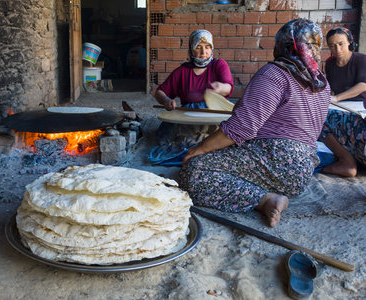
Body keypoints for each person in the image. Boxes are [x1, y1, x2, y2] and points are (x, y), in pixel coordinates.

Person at [179, 19, 331, 227]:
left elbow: (241, 127)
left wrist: (200, 149)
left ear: (282, 45)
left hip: (277, 158)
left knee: (193, 171)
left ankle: (265, 199)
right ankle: (274, 191)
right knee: (230, 159)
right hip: (302, 172)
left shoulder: (276, 73)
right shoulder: (322, 82)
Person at [316, 27, 366, 177]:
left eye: (341, 44)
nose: (337, 49)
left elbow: (363, 85)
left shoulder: (361, 59)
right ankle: (345, 158)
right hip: (340, 106)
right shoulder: (330, 64)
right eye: (332, 45)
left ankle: (347, 160)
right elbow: (331, 89)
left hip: (358, 106)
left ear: (350, 42)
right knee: (317, 116)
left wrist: (337, 98)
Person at [154, 29, 234, 110]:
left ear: (212, 49)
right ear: (191, 49)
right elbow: (159, 92)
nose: (203, 52)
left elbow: (228, 88)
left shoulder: (219, 65)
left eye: (207, 47)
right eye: (198, 47)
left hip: (216, 113)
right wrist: (166, 100)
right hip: (189, 115)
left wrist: (221, 88)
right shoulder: (182, 71)